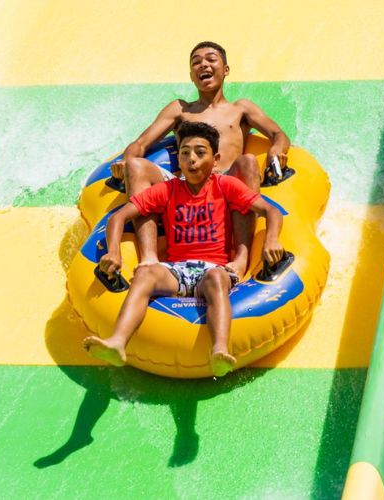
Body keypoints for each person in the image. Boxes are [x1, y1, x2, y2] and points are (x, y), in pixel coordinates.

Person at [84, 122, 285, 377]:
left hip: (214, 267)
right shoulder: (167, 189)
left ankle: (219, 349)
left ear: (216, 160)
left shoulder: (225, 186)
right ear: (177, 159)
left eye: (200, 153)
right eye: (185, 153)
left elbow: (271, 211)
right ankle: (117, 342)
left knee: (216, 279)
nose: (191, 159)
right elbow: (118, 218)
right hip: (176, 270)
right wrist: (113, 251)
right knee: (145, 274)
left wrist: (271, 240)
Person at [111, 41, 291, 278]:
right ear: (191, 76)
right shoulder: (180, 109)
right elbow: (142, 143)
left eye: (211, 59)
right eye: (196, 62)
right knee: (136, 165)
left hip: (225, 183)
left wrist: (275, 150)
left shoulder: (241, 109)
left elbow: (278, 134)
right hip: (186, 182)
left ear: (226, 69)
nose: (203, 64)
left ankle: (242, 257)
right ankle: (149, 258)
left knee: (248, 161)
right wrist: (127, 159)